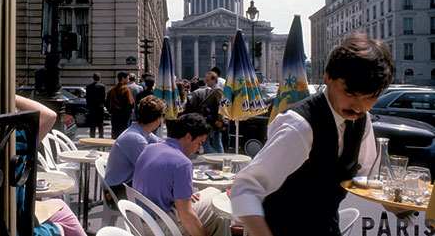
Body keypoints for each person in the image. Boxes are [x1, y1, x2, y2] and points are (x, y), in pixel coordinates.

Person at [230, 33, 395, 236]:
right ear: (328, 77)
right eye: (349, 93)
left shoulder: (362, 119)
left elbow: (367, 173)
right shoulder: (299, 127)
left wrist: (395, 203)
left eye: (370, 97)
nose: (359, 107)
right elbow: (244, 188)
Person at [132, 113, 230, 236]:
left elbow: (156, 185)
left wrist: (181, 195)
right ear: (188, 137)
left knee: (213, 193)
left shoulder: (150, 148)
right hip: (160, 227)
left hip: (138, 219)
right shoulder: (182, 163)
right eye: (199, 143)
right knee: (217, 209)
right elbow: (186, 216)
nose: (199, 149)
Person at [15, 95, 86, 236]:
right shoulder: (13, 144)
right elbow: (48, 115)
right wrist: (9, 95)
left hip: (19, 215)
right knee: (63, 224)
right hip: (23, 227)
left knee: (61, 206)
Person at [105, 95, 166, 200]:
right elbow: (151, 171)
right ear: (157, 120)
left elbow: (163, 145)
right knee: (162, 190)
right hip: (116, 192)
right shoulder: (136, 139)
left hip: (123, 185)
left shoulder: (139, 131)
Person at [200, 71, 225, 153]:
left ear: (214, 80)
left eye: (207, 80)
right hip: (213, 120)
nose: (206, 81)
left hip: (214, 120)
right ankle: (220, 160)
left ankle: (216, 158)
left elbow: (220, 105)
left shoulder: (217, 90)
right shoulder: (213, 90)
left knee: (205, 141)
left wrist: (220, 119)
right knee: (216, 141)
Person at [106, 72, 134, 139]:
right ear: (123, 78)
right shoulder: (126, 89)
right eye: (127, 78)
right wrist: (129, 112)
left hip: (114, 114)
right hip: (124, 115)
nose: (128, 80)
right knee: (123, 134)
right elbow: (130, 103)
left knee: (115, 133)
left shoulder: (112, 89)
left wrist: (111, 111)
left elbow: (106, 102)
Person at [86, 72, 106, 138]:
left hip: (92, 108)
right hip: (100, 108)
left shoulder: (88, 87)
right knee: (100, 124)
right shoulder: (102, 86)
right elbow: (103, 98)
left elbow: (87, 98)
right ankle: (101, 136)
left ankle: (92, 136)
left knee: (92, 125)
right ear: (99, 78)